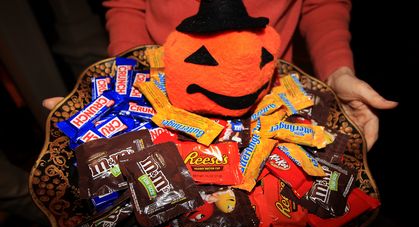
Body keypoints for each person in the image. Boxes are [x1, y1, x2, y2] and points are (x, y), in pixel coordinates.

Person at [43, 0, 398, 151]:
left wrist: (337, 71)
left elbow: (322, 4)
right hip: (160, 80)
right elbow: (127, 5)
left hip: (269, 90)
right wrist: (125, 81)